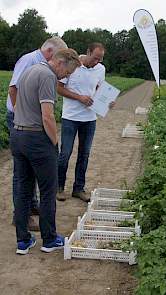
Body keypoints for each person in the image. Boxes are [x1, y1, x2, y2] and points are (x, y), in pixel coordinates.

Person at [10, 49, 81, 255]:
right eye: (68, 71)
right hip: (37, 139)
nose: (66, 76)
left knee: (24, 190)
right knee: (48, 191)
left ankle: (22, 241)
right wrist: (54, 142)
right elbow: (48, 116)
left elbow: (13, 93)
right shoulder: (48, 76)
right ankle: (49, 239)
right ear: (60, 62)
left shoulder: (29, 70)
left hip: (18, 135)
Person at [6, 37, 68, 231]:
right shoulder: (29, 61)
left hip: (28, 122)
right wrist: (20, 113)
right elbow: (13, 89)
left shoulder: (41, 66)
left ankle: (32, 208)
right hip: (22, 121)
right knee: (22, 174)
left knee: (30, 171)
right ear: (51, 52)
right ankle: (21, 216)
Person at [57, 43, 113, 202]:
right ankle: (59, 187)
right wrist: (79, 97)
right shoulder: (72, 64)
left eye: (100, 59)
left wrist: (107, 101)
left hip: (89, 119)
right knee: (65, 153)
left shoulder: (100, 69)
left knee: (84, 154)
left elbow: (99, 90)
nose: (97, 61)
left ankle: (78, 188)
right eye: (95, 58)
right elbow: (59, 88)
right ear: (88, 52)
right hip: (70, 117)